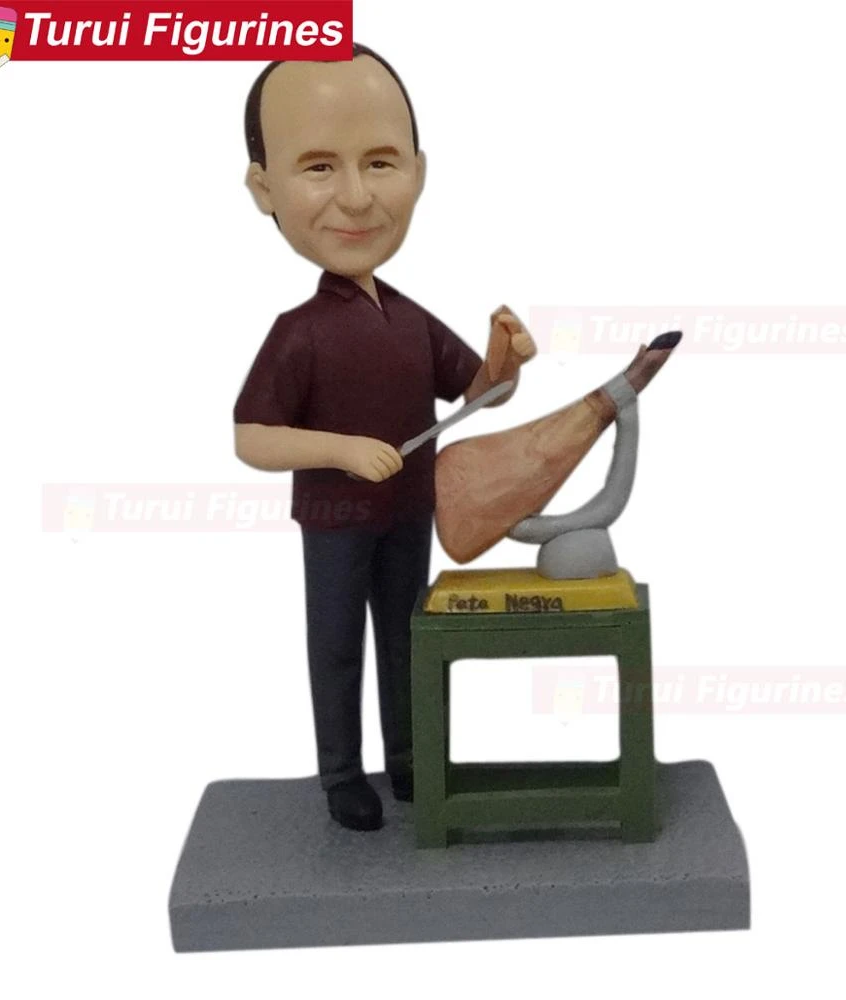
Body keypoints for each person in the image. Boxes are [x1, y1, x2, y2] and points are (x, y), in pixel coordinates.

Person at [233, 51, 535, 831]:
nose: (357, 196)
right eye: (318, 167)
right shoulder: (299, 333)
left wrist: (505, 358)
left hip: (408, 510)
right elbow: (252, 438)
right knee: (337, 645)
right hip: (336, 521)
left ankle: (408, 760)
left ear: (418, 172)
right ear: (264, 188)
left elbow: (479, 393)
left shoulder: (409, 319)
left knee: (408, 639)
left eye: (379, 162)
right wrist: (340, 451)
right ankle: (341, 774)